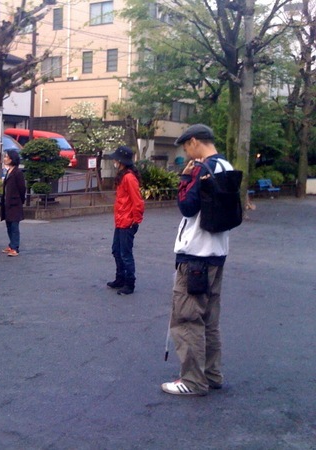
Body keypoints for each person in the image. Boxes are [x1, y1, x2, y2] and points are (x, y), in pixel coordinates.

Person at [161, 124, 232, 396]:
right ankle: (211, 374)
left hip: (195, 256)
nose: (186, 153)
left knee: (187, 318)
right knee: (209, 320)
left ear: (193, 142)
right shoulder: (225, 166)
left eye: (186, 147)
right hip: (217, 253)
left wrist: (185, 177)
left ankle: (192, 380)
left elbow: (187, 207)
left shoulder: (202, 169)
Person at [104, 146, 144, 295]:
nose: (114, 161)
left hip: (127, 221)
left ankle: (129, 282)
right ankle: (120, 278)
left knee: (125, 254)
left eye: (116, 159)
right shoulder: (124, 176)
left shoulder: (128, 178)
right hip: (122, 220)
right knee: (117, 250)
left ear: (121, 161)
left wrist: (135, 220)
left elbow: (137, 201)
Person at [0, 149, 26, 257]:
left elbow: (22, 188)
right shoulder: (8, 171)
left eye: (7, 157)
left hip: (15, 203)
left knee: (14, 226)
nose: (5, 158)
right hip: (7, 203)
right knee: (9, 225)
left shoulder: (17, 172)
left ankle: (15, 248)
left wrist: (20, 200)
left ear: (12, 159)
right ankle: (11, 245)